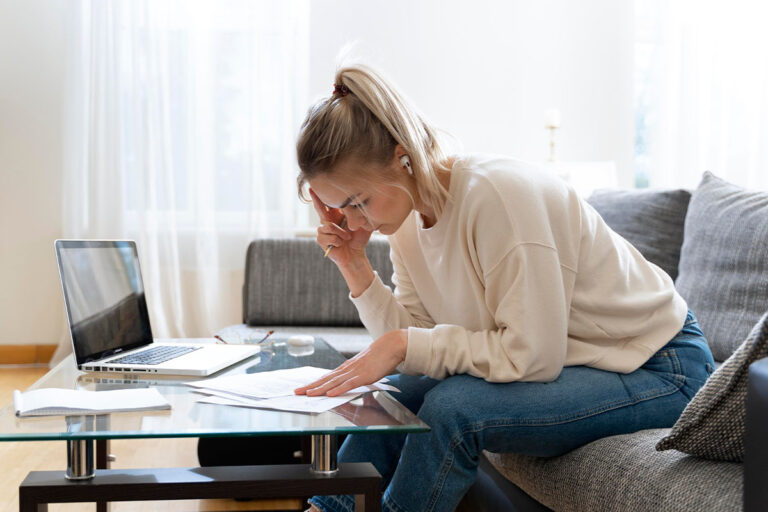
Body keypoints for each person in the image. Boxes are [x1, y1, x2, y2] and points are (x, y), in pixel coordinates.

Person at [293, 63, 715, 512]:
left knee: (451, 411)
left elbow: (530, 355)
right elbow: (415, 347)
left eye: (358, 202)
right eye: (342, 209)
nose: (355, 221)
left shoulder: (500, 197)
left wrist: (404, 344)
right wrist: (355, 266)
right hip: (587, 363)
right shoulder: (406, 221)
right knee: (392, 396)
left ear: (403, 157)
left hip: (661, 368)